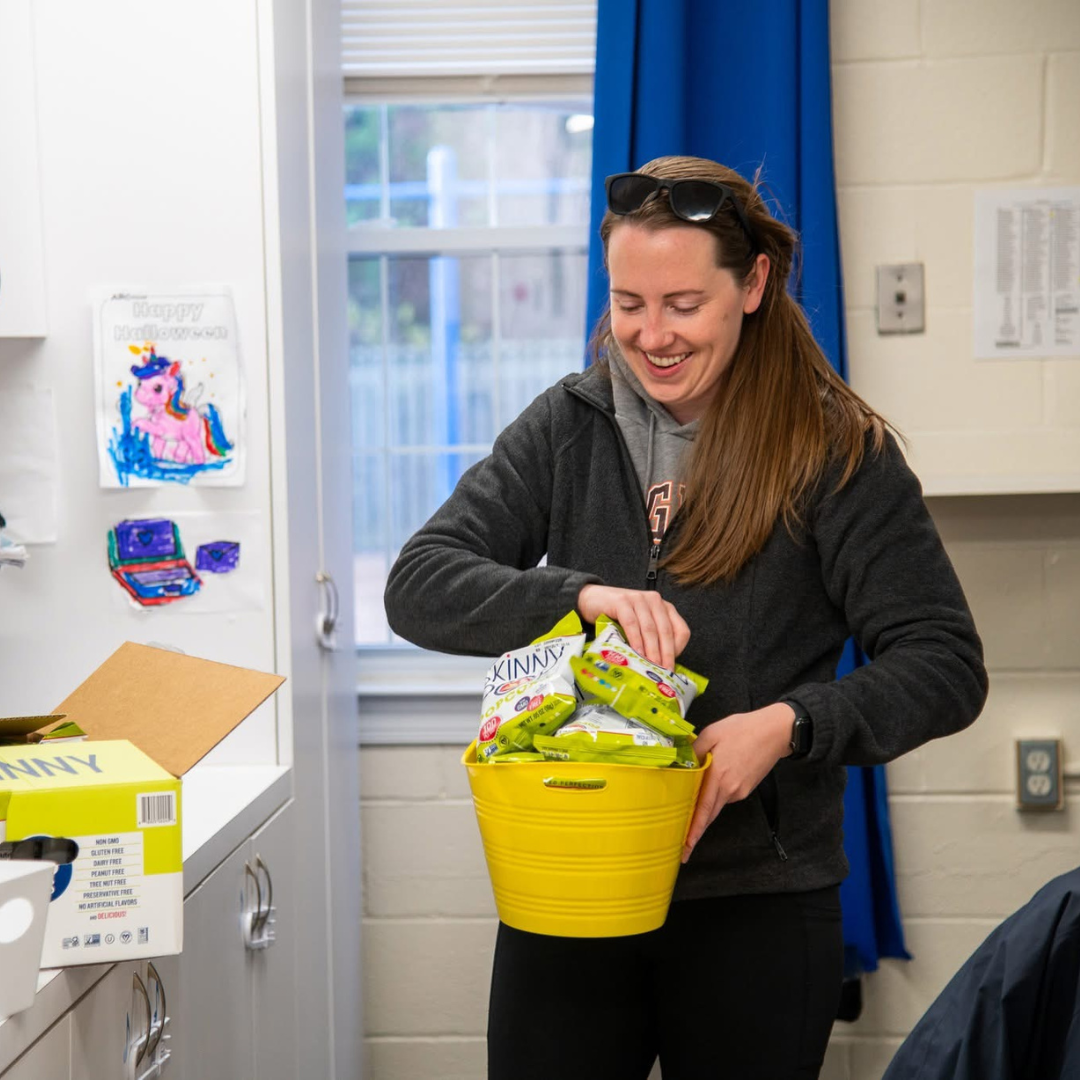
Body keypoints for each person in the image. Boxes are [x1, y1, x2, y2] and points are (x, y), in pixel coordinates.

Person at [384, 155, 988, 1080]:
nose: (651, 335)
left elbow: (945, 663)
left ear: (753, 285)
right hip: (572, 893)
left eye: (682, 304)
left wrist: (789, 727)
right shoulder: (565, 426)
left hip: (759, 903)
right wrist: (573, 595)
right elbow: (419, 583)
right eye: (629, 303)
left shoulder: (837, 451)